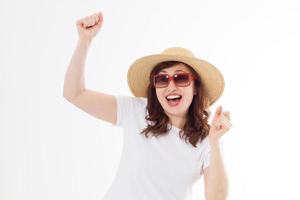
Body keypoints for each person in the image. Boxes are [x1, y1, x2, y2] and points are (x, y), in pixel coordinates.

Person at [63, 11, 233, 200]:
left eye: (181, 78)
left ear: (195, 87)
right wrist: (84, 41)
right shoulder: (136, 111)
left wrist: (215, 142)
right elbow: (75, 94)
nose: (171, 86)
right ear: (154, 87)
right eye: (162, 79)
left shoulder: (207, 139)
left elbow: (217, 198)